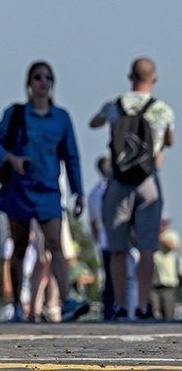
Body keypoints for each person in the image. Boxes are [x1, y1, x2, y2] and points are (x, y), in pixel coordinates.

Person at [0, 61, 88, 323]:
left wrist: (78, 191)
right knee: (19, 246)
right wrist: (11, 159)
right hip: (19, 189)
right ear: (29, 83)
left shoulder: (61, 118)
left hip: (48, 191)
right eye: (37, 77)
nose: (43, 82)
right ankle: (18, 306)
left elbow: (72, 156)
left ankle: (66, 300)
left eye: (47, 78)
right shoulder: (17, 114)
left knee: (55, 243)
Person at [90, 57, 174, 320]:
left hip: (118, 180)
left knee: (118, 247)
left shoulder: (115, 105)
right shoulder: (163, 110)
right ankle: (141, 304)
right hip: (148, 181)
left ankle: (120, 304)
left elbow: (95, 122)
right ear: (155, 78)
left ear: (130, 76)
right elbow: (169, 141)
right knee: (147, 247)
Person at [87, 156, 115, 319]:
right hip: (112, 239)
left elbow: (93, 222)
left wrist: (97, 239)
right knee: (116, 277)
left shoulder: (94, 193)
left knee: (110, 278)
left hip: (104, 240)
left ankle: (110, 310)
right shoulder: (108, 190)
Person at [153, 224, 179, 320]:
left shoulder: (170, 235)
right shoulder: (149, 236)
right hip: (153, 282)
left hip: (168, 282)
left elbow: (172, 245)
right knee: (155, 312)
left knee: (168, 313)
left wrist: (158, 236)